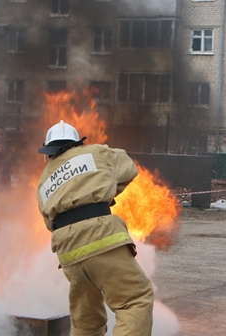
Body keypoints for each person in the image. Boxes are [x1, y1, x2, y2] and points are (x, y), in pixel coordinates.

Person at [36, 120, 154, 336]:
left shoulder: (43, 180)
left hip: (69, 252)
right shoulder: (95, 153)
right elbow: (128, 168)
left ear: (48, 152)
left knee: (86, 322)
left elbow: (49, 223)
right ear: (77, 144)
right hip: (102, 238)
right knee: (134, 300)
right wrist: (102, 191)